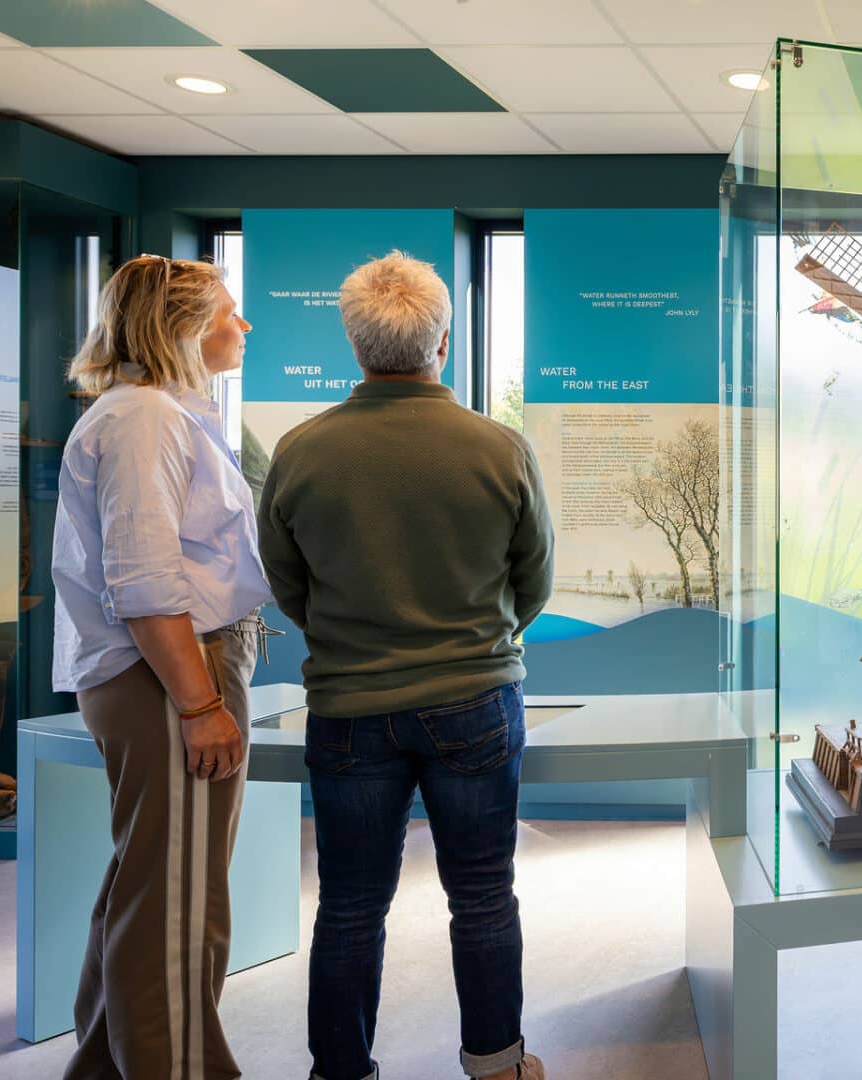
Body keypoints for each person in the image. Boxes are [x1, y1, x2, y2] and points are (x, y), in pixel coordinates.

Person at [257, 252, 555, 1080]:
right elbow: (534, 579)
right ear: (443, 343)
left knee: (350, 904)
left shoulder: (300, 452)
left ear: (354, 344)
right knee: (483, 893)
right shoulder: (499, 448)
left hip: (347, 705)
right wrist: (483, 638)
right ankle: (498, 1065)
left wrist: (350, 643)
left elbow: (287, 583)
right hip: (475, 697)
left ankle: (340, 1071)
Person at [51, 254, 271, 1080]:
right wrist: (200, 704)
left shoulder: (156, 412)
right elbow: (143, 579)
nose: (242, 325)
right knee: (177, 903)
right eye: (227, 312)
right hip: (168, 672)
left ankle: (106, 1068)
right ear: (179, 327)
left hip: (165, 668)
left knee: (150, 885)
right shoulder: (144, 418)